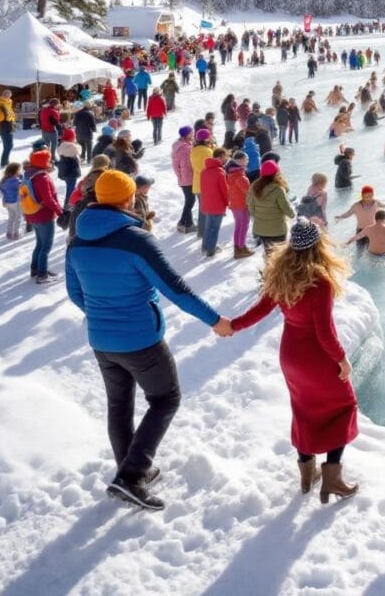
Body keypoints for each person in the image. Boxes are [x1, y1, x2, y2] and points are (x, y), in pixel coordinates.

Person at [66, 169, 228, 511]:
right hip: (140, 338)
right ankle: (132, 475)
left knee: (118, 404)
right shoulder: (136, 239)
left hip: (101, 339)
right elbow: (175, 288)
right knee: (166, 398)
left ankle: (128, 470)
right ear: (128, 199)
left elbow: (75, 293)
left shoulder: (77, 239)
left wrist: (102, 313)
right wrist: (215, 321)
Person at [230, 220, 360, 503]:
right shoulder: (320, 283)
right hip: (316, 358)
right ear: (318, 246)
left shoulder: (279, 275)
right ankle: (332, 480)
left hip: (290, 357)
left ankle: (307, 475)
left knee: (304, 412)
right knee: (343, 406)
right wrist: (342, 360)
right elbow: (325, 334)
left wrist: (233, 325)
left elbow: (259, 311)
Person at [23, 149, 64, 283]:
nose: (51, 163)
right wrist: (60, 211)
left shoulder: (30, 175)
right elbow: (48, 199)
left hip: (33, 215)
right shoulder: (43, 178)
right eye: (49, 161)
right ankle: (42, 275)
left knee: (39, 244)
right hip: (43, 216)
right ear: (44, 163)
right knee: (45, 246)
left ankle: (36, 269)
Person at [248, 161, 294, 250]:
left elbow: (250, 207)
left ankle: (269, 264)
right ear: (276, 174)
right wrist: (292, 214)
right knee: (280, 254)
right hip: (277, 229)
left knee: (268, 252)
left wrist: (259, 217)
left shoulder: (254, 186)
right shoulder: (278, 189)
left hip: (261, 228)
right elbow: (286, 208)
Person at [198, 149, 229, 257]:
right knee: (215, 228)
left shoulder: (204, 171)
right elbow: (224, 190)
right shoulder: (220, 172)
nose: (226, 159)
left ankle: (205, 246)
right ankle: (211, 250)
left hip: (207, 203)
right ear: (220, 157)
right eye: (225, 156)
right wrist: (226, 203)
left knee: (208, 226)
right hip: (217, 204)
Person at [226, 153, 252, 258]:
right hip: (242, 204)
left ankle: (238, 247)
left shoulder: (231, 173)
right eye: (246, 159)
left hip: (234, 204)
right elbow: (249, 193)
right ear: (240, 161)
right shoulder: (240, 176)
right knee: (244, 225)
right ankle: (241, 248)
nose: (248, 161)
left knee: (238, 225)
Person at [171, 126, 196, 233]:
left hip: (184, 178)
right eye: (191, 133)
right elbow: (189, 165)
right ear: (186, 135)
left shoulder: (179, 145)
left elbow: (175, 166)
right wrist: (182, 177)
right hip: (188, 178)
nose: (193, 134)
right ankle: (181, 222)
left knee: (189, 200)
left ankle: (189, 224)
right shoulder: (185, 148)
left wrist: (179, 177)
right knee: (190, 201)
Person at [57, 128, 83, 205]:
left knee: (70, 187)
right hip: (72, 171)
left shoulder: (61, 145)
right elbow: (80, 150)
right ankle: (68, 206)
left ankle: (68, 204)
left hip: (64, 170)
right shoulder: (72, 147)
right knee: (70, 191)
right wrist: (75, 143)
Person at [0, 162, 23, 240]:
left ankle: (9, 233)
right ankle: (16, 233)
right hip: (16, 201)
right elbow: (22, 186)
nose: (20, 171)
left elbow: (1, 188)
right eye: (19, 170)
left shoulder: (4, 180)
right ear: (15, 171)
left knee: (11, 217)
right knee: (18, 217)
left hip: (7, 201)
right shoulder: (15, 180)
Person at [0, 90, 16, 167]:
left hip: (8, 126)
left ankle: (6, 161)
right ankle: (4, 162)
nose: (9, 97)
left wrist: (13, 122)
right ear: (4, 95)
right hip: (4, 126)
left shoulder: (8, 103)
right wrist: (11, 120)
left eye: (10, 95)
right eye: (7, 95)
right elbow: (5, 116)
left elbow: (11, 114)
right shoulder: (2, 104)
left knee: (9, 145)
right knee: (8, 145)